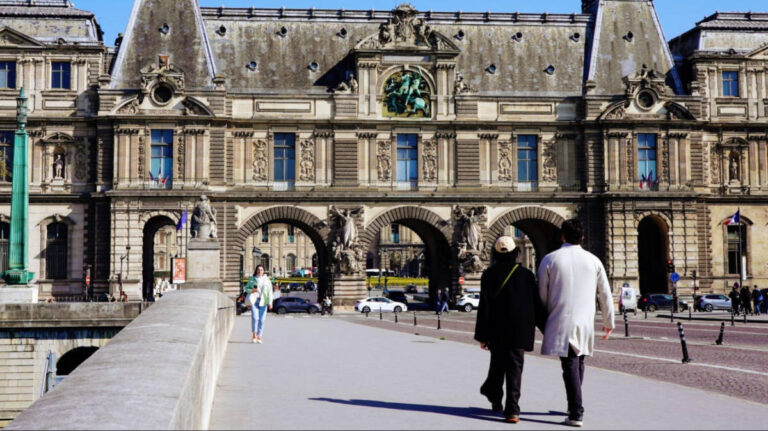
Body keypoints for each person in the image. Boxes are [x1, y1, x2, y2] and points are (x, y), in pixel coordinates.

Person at [538, 219, 614, 428]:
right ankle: (574, 403)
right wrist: (609, 321)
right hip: (585, 319)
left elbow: (542, 294)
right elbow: (605, 293)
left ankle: (576, 412)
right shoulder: (593, 260)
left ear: (562, 236)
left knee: (571, 363)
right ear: (582, 237)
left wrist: (546, 315)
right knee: (578, 360)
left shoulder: (549, 259)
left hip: (560, 317)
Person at [474, 236, 544, 423]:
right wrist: (546, 327)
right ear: (516, 253)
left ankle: (495, 399)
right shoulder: (526, 275)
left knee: (497, 365)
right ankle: (512, 409)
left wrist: (482, 335)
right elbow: (535, 305)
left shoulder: (488, 275)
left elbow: (485, 307)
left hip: (496, 329)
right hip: (519, 329)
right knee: (515, 368)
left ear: (495, 254)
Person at [245, 265, 273, 344]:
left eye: (261, 270)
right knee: (255, 318)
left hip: (263, 301)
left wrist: (270, 303)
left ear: (263, 271)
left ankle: (259, 336)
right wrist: (252, 290)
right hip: (254, 300)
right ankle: (254, 334)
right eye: (258, 270)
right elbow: (246, 288)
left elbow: (270, 292)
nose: (259, 271)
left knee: (262, 320)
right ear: (256, 271)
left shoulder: (267, 280)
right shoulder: (252, 279)